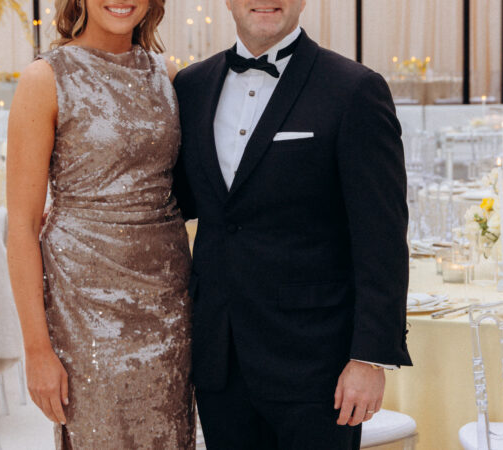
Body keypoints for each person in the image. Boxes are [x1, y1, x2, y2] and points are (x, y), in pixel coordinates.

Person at [172, 0, 412, 448]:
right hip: (219, 356)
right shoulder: (190, 86)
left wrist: (370, 357)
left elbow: (381, 237)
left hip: (317, 363)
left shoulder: (354, 89)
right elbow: (177, 199)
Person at [6, 0, 194, 448]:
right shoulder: (45, 78)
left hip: (168, 305)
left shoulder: (168, 77)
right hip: (84, 308)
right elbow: (22, 228)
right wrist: (37, 350)